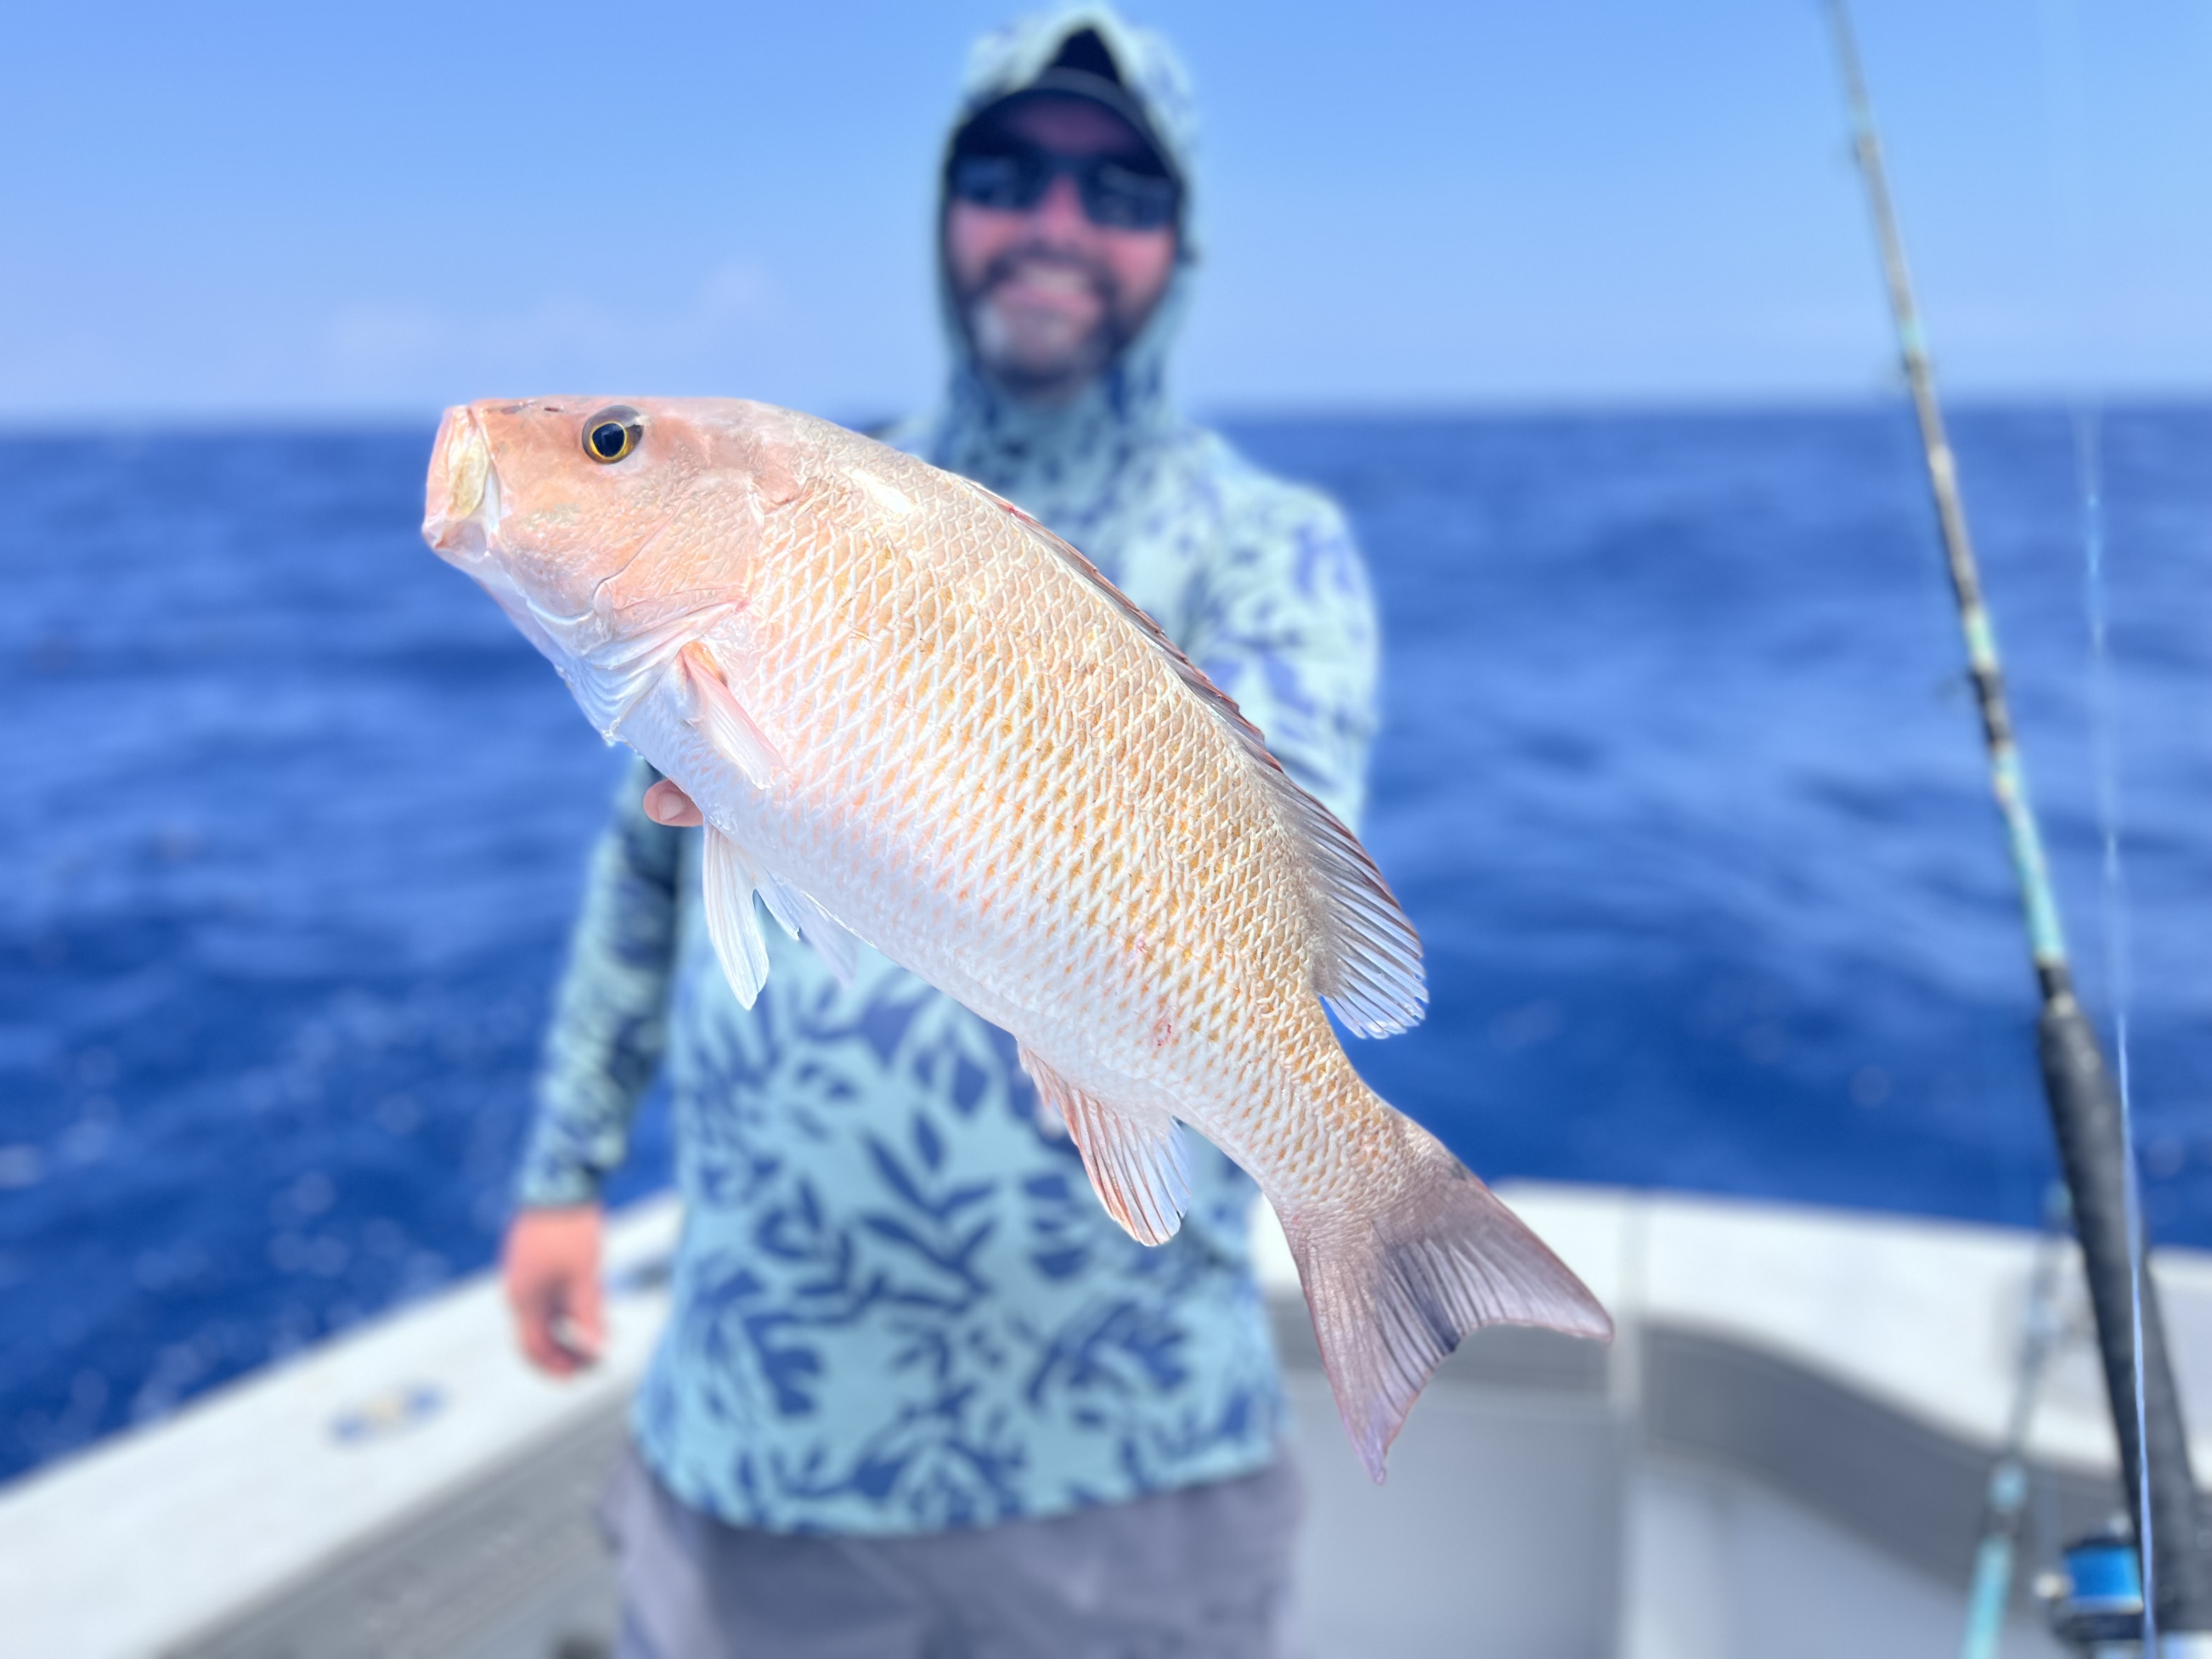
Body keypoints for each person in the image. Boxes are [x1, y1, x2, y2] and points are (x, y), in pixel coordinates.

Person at [501, 8, 1383, 1655]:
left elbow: (1250, 891)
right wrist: (564, 1173)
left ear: (1180, 245)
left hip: (1132, 1457)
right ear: (942, 207)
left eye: (1118, 189)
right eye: (1008, 171)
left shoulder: (1274, 547)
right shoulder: (801, 509)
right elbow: (641, 878)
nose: (1056, 222)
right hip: (762, 1423)